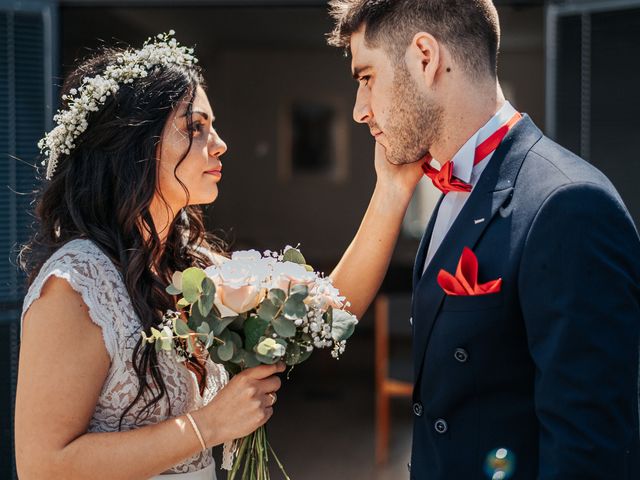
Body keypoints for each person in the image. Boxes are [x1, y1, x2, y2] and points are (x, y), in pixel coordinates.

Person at [327, 1, 640, 478]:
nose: (359, 110)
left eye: (366, 77)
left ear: (425, 58)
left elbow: (589, 451)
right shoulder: (443, 188)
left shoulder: (571, 205)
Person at [14, 33, 284, 480]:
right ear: (134, 143)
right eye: (194, 127)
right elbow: (42, 466)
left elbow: (325, 303)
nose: (219, 144)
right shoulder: (75, 285)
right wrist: (210, 424)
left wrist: (390, 191)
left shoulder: (189, 263)